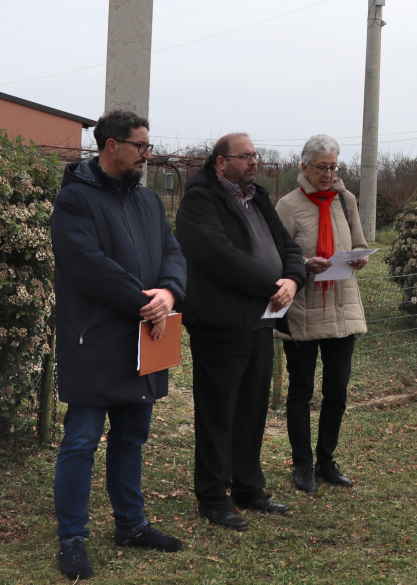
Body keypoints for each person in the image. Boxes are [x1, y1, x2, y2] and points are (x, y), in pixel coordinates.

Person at [50, 110, 187, 579]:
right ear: (112, 146)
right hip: (93, 339)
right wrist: (143, 302)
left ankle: (131, 525)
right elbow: (86, 264)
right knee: (82, 441)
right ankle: (71, 539)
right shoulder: (74, 200)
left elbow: (173, 251)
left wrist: (168, 293)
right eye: (140, 145)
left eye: (148, 145)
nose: (148, 153)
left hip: (144, 338)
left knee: (132, 437)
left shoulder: (149, 201)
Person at [175, 133, 306, 531]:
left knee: (252, 409)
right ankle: (214, 497)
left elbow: (288, 246)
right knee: (218, 413)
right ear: (220, 162)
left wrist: (293, 280)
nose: (254, 162)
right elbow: (218, 255)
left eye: (255, 156)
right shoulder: (200, 200)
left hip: (260, 321)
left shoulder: (258, 197)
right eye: (245, 156)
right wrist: (273, 283)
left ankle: (249, 489)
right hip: (219, 324)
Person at [275, 135, 371, 493]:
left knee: (337, 392)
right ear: (304, 168)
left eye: (333, 167)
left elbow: (359, 242)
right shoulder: (287, 206)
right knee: (301, 391)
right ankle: (301, 464)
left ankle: (326, 459)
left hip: (343, 310)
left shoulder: (346, 201)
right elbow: (276, 257)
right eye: (322, 167)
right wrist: (303, 264)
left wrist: (359, 257)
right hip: (302, 311)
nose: (329, 174)